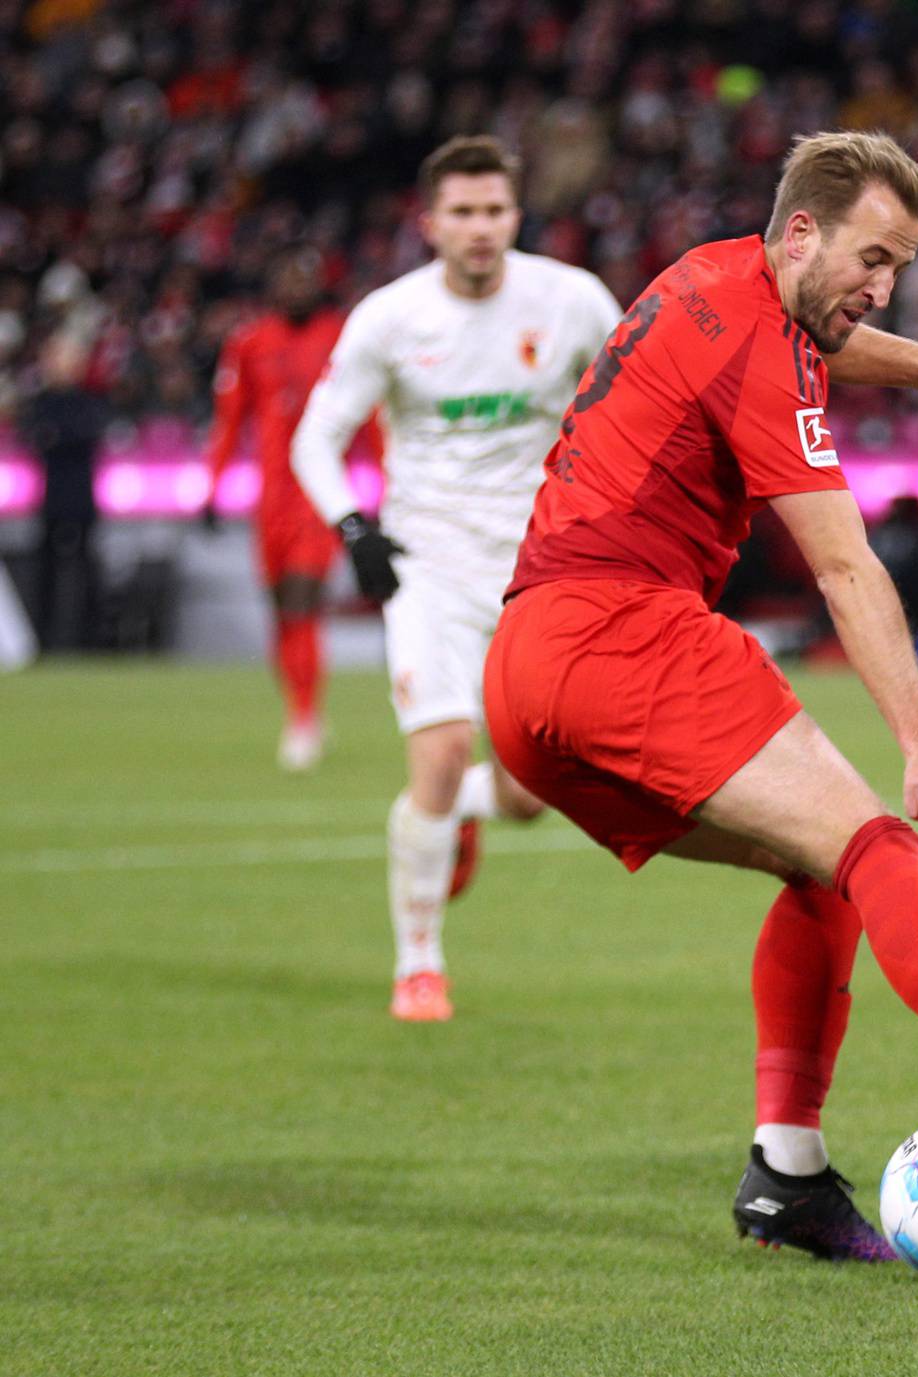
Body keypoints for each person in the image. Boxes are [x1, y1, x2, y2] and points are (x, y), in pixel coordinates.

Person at [484, 130, 918, 1262]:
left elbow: (824, 348)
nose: (885, 285)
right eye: (874, 257)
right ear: (804, 230)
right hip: (625, 631)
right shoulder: (759, 342)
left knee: (820, 881)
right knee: (877, 850)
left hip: (527, 671)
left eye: (900, 264)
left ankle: (787, 1176)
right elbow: (847, 565)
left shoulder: (714, 275)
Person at [292, 136, 623, 1022]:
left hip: (538, 568)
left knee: (529, 794)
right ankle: (419, 962)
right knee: (438, 752)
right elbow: (314, 439)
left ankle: (473, 805)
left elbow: (635, 401)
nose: (480, 229)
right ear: (431, 222)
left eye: (495, 211)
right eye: (464, 213)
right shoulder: (391, 318)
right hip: (426, 565)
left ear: (516, 217)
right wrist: (354, 526)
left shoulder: (572, 301)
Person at [204, 249, 364, 771]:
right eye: (286, 280)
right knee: (281, 613)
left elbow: (371, 417)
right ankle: (302, 711)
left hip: (317, 494)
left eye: (304, 280)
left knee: (302, 603)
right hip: (269, 498)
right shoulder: (250, 342)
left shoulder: (342, 337)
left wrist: (385, 482)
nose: (295, 289)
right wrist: (212, 488)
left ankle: (303, 717)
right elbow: (230, 420)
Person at [21, 336, 109, 652]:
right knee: (46, 573)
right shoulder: (43, 401)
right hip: (53, 499)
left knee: (86, 572)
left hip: (81, 499)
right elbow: (34, 435)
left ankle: (91, 640)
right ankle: (43, 640)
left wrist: (55, 437)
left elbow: (80, 435)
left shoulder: (87, 400)